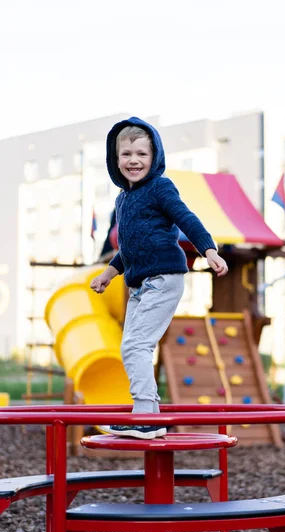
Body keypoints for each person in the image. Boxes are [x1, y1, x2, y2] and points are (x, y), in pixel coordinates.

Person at [90, 116, 228, 439]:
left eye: (141, 154)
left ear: (154, 158)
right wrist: (109, 273)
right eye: (126, 154)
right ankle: (148, 414)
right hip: (139, 285)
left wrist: (208, 249)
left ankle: (145, 415)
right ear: (116, 158)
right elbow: (129, 247)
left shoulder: (159, 188)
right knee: (131, 345)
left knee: (136, 345)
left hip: (164, 278)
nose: (134, 160)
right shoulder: (123, 201)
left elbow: (185, 218)